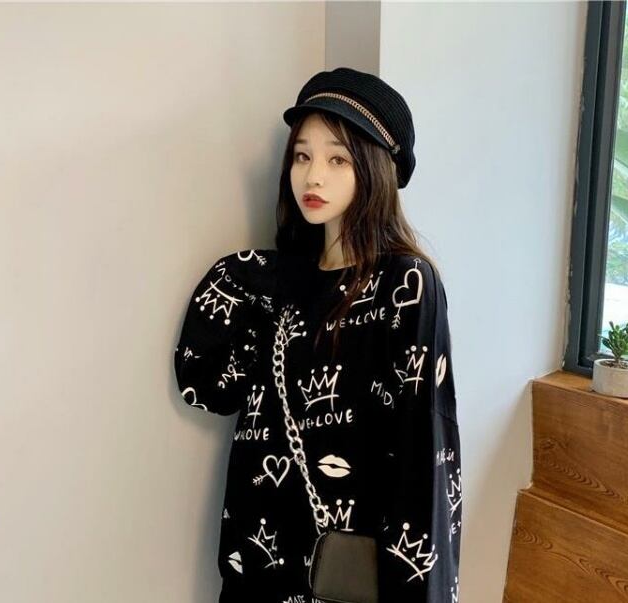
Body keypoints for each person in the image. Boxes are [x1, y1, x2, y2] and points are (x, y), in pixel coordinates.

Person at [173, 67, 462, 602]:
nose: (313, 177)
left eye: (338, 160)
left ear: (376, 169)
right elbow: (209, 389)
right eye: (302, 156)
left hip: (347, 575)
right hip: (259, 563)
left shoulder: (406, 283)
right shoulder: (276, 285)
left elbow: (424, 450)